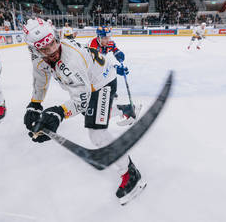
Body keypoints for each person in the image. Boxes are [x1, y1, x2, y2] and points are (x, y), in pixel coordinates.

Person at [22, 18, 145, 204]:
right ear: (34, 50)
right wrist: (35, 103)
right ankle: (125, 108)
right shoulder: (38, 59)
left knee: (96, 131)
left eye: (54, 43)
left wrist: (58, 112)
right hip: (92, 80)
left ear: (56, 37)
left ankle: (131, 173)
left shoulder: (71, 60)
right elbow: (40, 79)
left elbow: (83, 100)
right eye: (45, 49)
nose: (53, 51)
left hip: (103, 82)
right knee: (93, 114)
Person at [88, 26, 141, 125]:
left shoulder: (109, 42)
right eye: (104, 38)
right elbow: (99, 66)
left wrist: (118, 54)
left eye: (109, 37)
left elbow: (115, 49)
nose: (108, 40)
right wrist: (116, 68)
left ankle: (125, 108)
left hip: (100, 72)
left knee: (97, 110)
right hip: (92, 71)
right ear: (98, 38)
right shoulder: (93, 47)